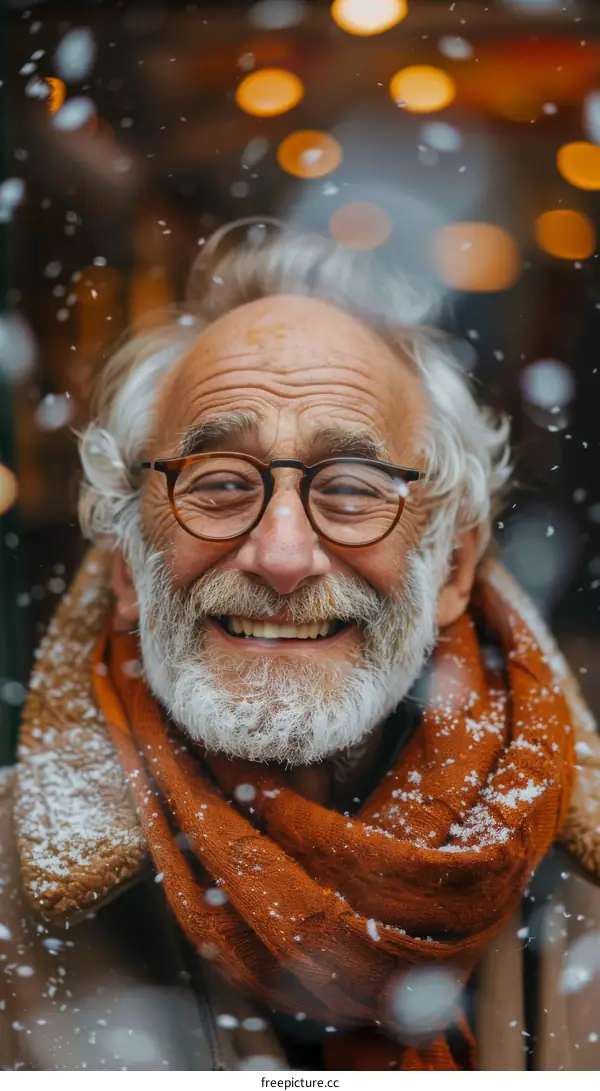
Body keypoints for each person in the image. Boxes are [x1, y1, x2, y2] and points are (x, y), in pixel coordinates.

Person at [1, 224, 600, 1072]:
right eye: (217, 483)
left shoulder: (581, 890)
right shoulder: (9, 890)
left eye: (353, 489)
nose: (282, 556)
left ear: (454, 565)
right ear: (130, 563)